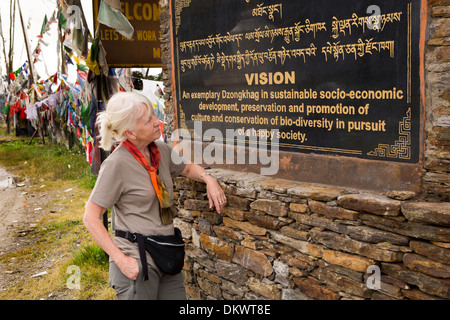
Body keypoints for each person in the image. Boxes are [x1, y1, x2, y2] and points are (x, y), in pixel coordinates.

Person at [83, 92, 226, 300]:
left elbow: (186, 168)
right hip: (137, 258)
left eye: (153, 115)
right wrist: (122, 260)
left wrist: (208, 179)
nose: (157, 122)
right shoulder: (115, 165)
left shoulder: (159, 149)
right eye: (148, 120)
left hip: (166, 253)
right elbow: (90, 217)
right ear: (130, 133)